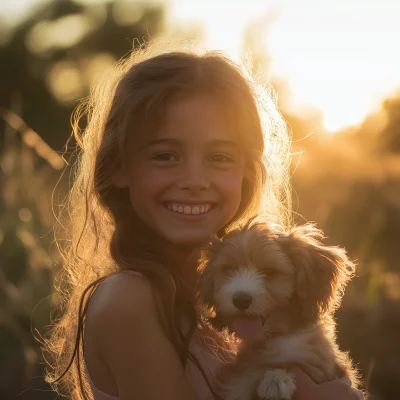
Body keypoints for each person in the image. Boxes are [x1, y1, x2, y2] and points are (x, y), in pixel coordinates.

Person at [44, 39, 364, 400]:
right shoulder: (130, 299)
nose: (194, 181)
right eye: (165, 155)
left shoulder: (210, 300)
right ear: (120, 167)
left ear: (247, 170)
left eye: (219, 157)